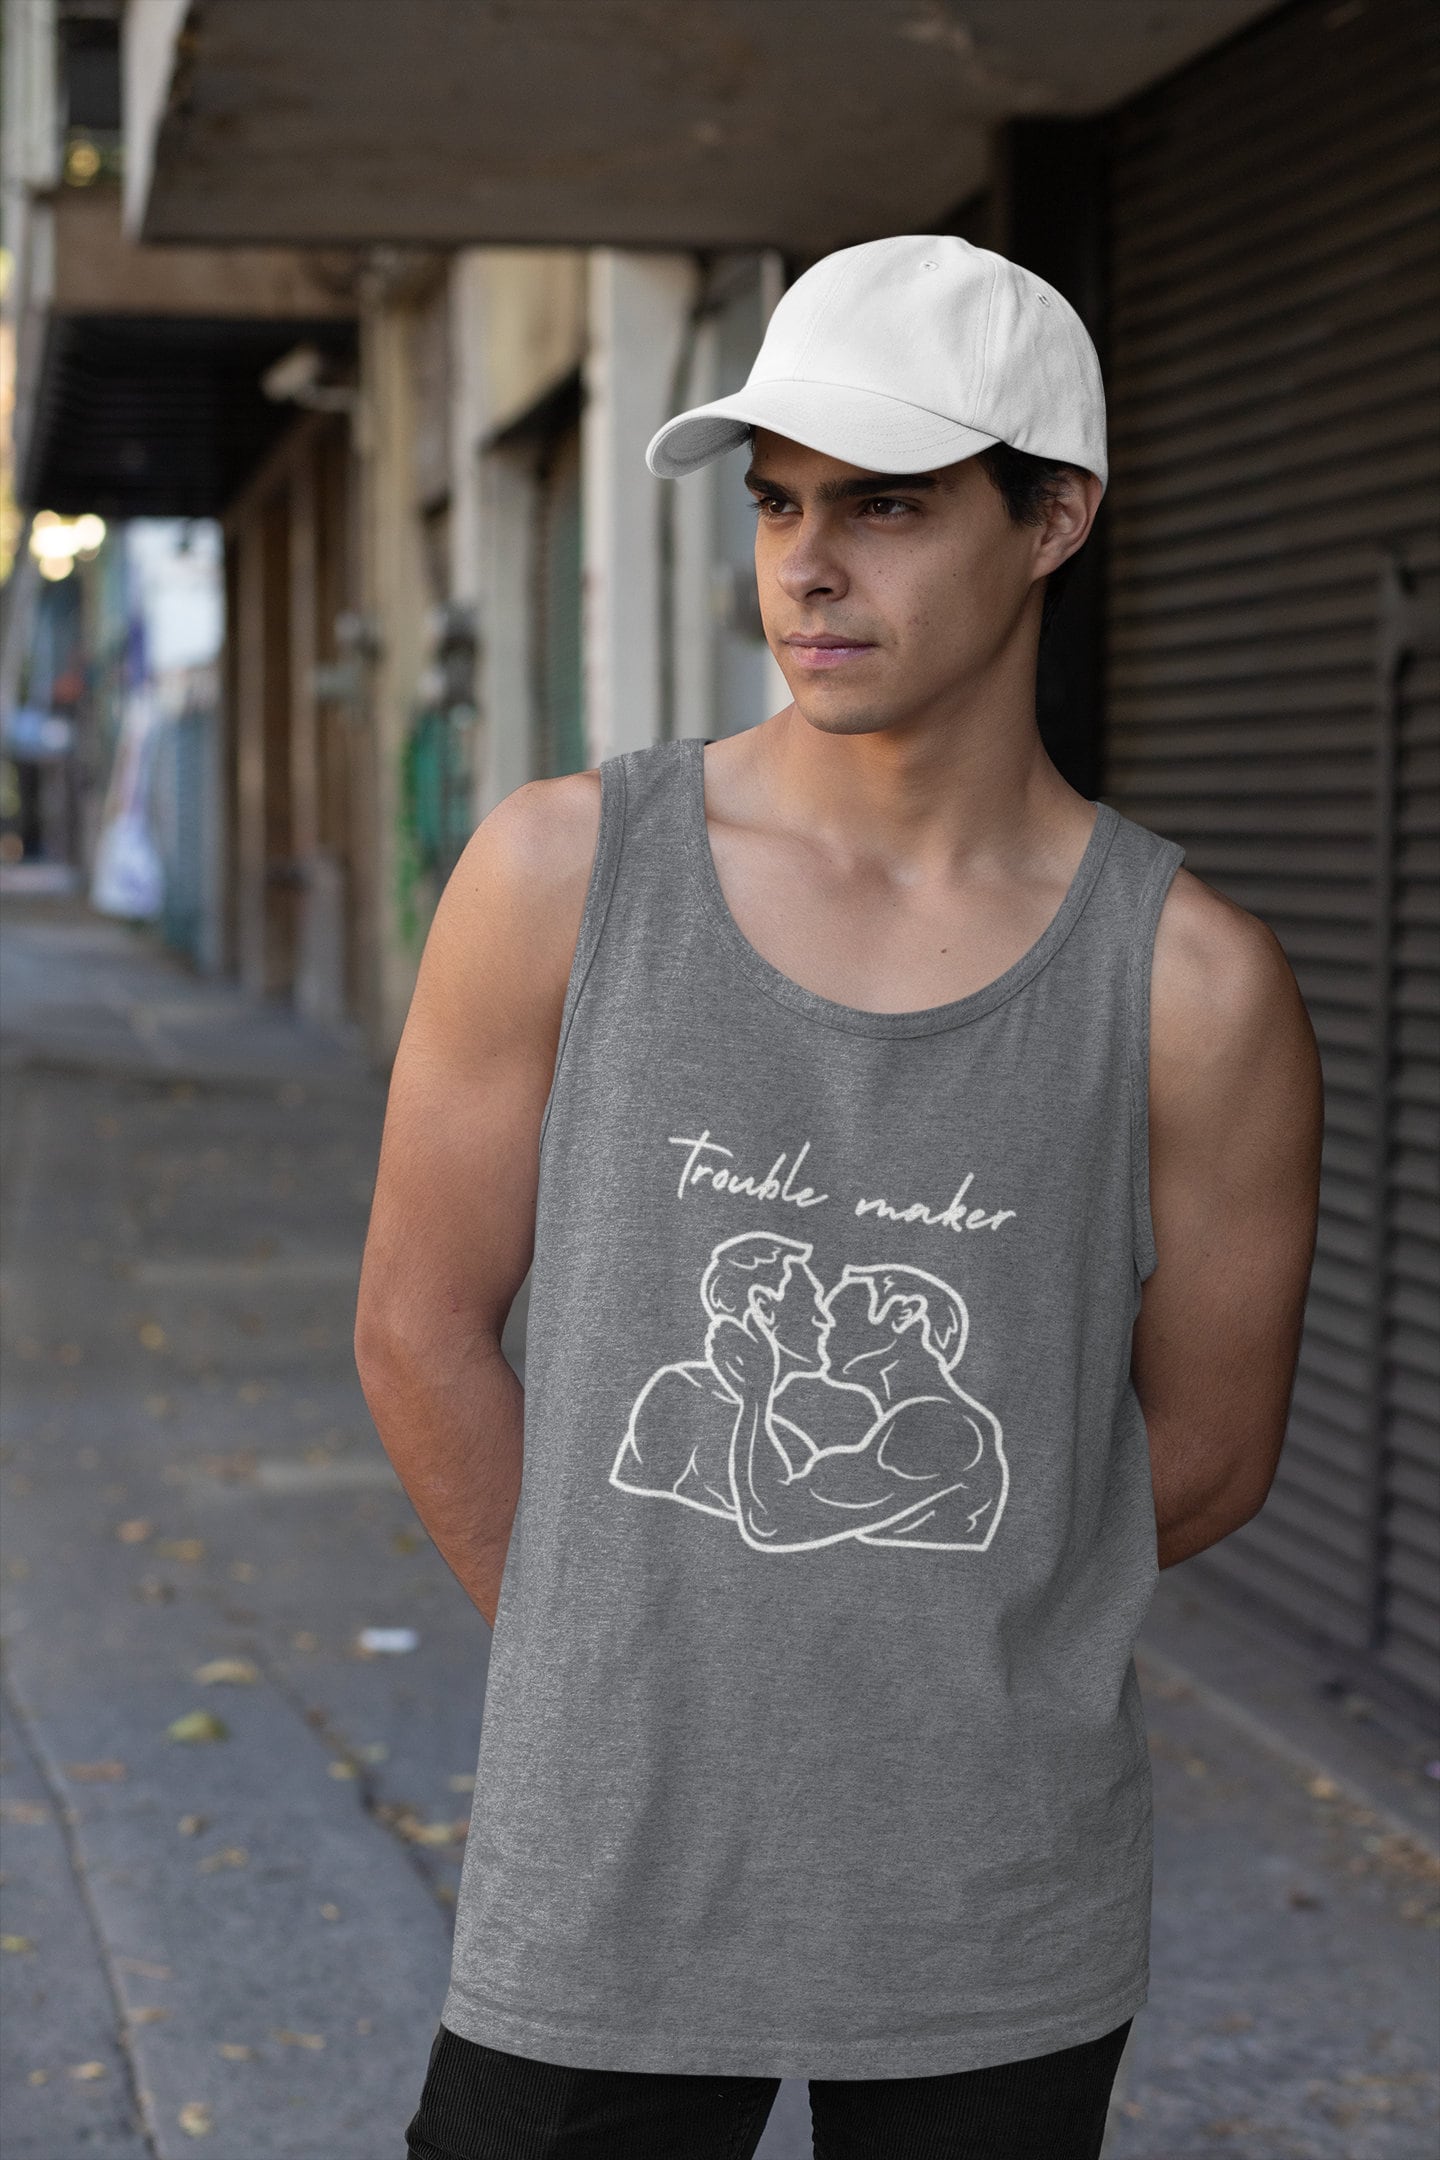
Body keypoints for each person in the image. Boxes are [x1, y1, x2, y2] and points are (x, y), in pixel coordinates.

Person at [356, 232, 1322, 2159]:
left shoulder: (1193, 987)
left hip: (993, 1895)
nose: (805, 563)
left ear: (1054, 519)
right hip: (607, 1871)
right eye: (779, 501)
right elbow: (418, 1326)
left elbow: (1207, 1455)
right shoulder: (562, 874)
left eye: (885, 504)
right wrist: (626, 1659)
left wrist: (893, 1625)